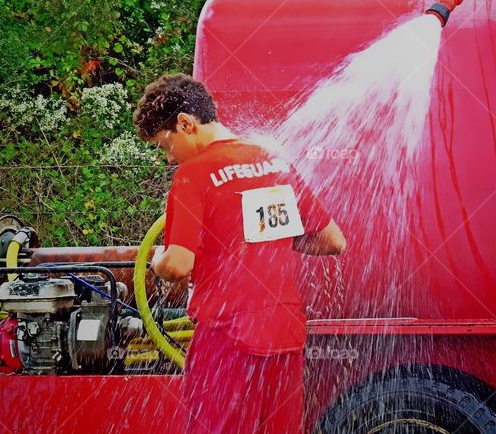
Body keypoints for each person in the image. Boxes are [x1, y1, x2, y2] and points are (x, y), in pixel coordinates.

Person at [133, 73, 346, 433]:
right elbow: (333, 241)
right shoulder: (275, 161)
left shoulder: (193, 175)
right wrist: (263, 239)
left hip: (226, 340)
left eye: (164, 144)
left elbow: (179, 264)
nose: (168, 157)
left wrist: (157, 261)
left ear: (185, 124)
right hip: (284, 337)